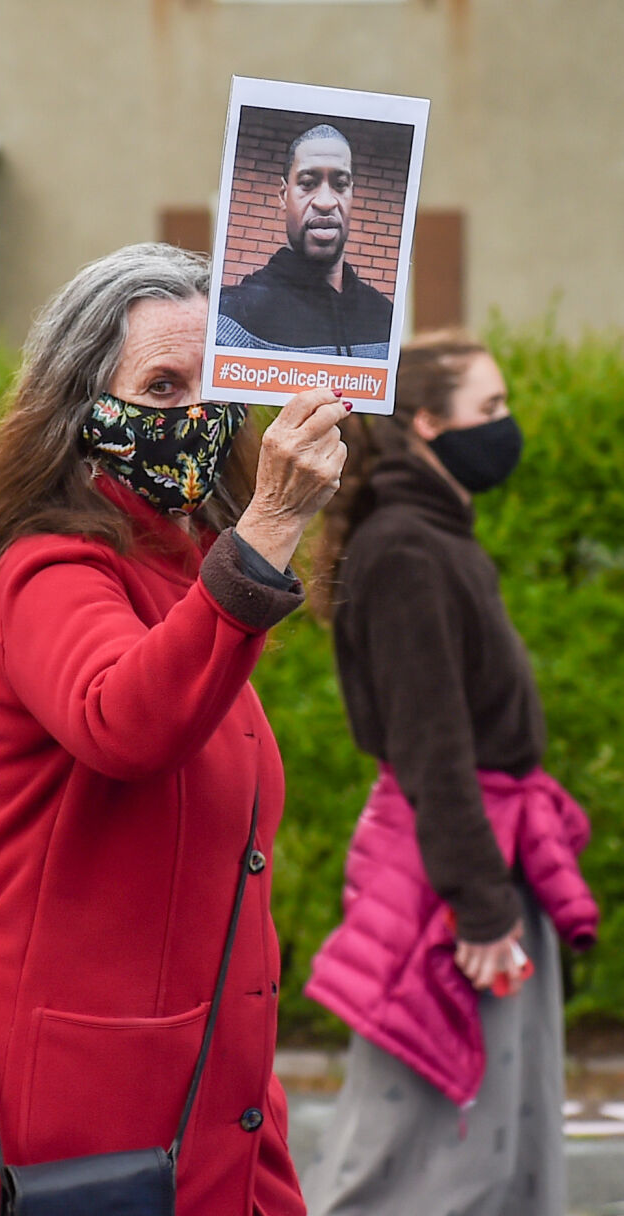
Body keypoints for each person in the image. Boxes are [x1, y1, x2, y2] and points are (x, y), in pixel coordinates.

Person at [0, 242, 349, 1216]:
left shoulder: (180, 569)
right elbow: (123, 718)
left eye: (210, 382)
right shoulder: (50, 566)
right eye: (158, 383)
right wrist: (268, 528)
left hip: (205, 1105)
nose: (193, 412)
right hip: (74, 1123)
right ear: (79, 410)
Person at [301, 331, 597, 1216]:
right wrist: (479, 900)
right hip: (450, 874)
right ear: (426, 422)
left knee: (488, 1125)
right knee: (435, 1141)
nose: (504, 428)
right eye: (490, 409)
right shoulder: (406, 549)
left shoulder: (429, 535)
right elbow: (432, 744)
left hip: (474, 859)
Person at [217, 124, 394, 358]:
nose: (325, 202)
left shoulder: (386, 318)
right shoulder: (234, 319)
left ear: (352, 194)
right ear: (283, 195)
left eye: (340, 185)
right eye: (308, 183)